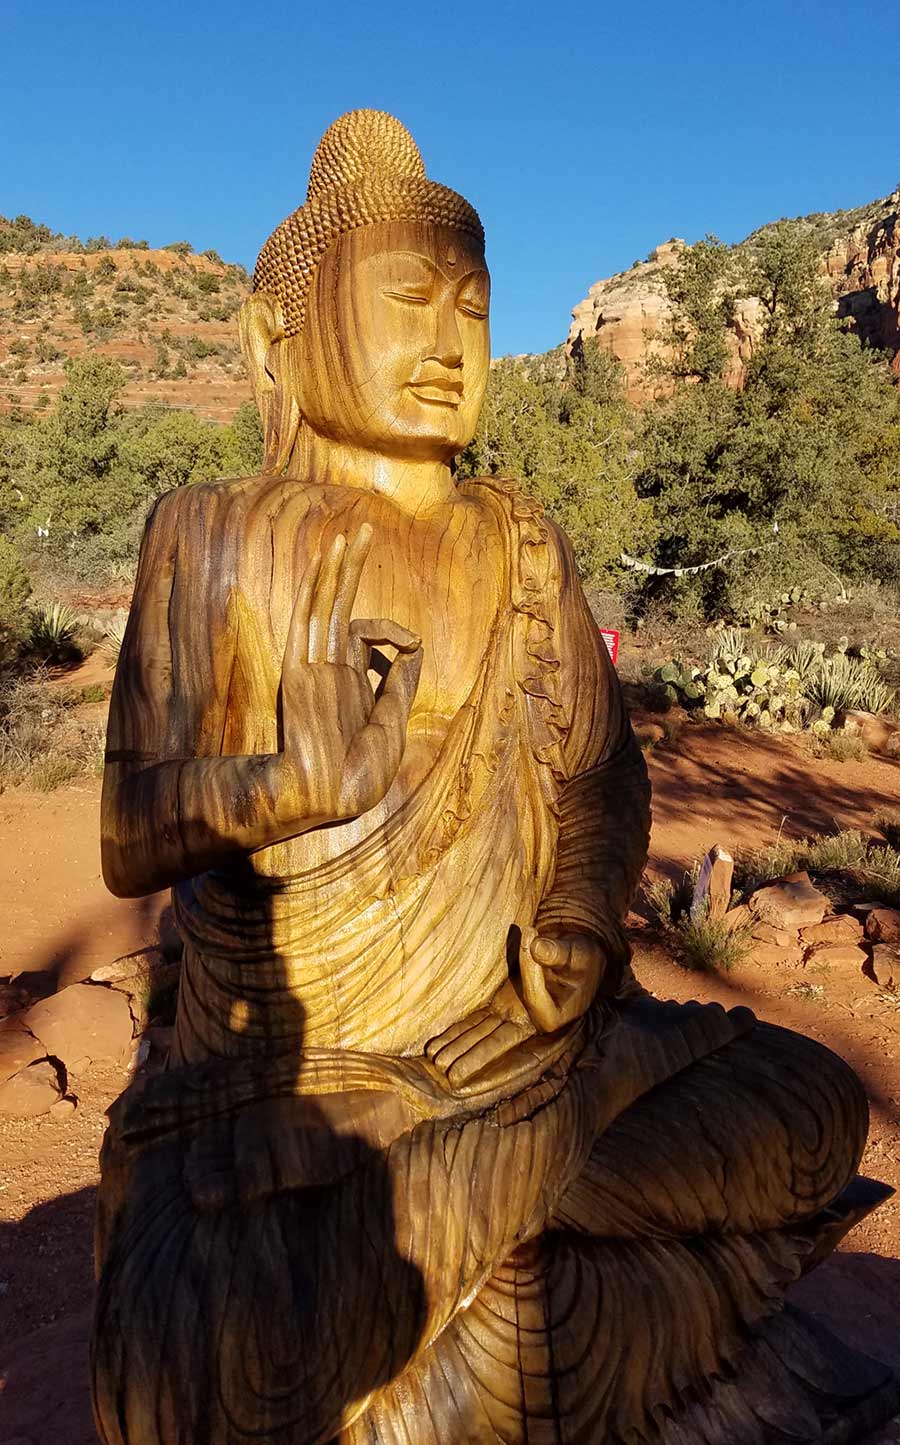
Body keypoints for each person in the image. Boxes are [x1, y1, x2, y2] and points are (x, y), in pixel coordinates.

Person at [92, 112, 893, 1445]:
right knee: (212, 1334)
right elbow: (132, 824)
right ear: (277, 338)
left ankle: (474, 1272)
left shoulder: (518, 542)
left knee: (811, 1107)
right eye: (406, 301)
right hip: (324, 1089)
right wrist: (290, 777)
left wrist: (579, 918)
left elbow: (597, 776)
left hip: (535, 1055)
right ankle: (518, 1277)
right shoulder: (215, 535)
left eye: (474, 308)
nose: (452, 347)